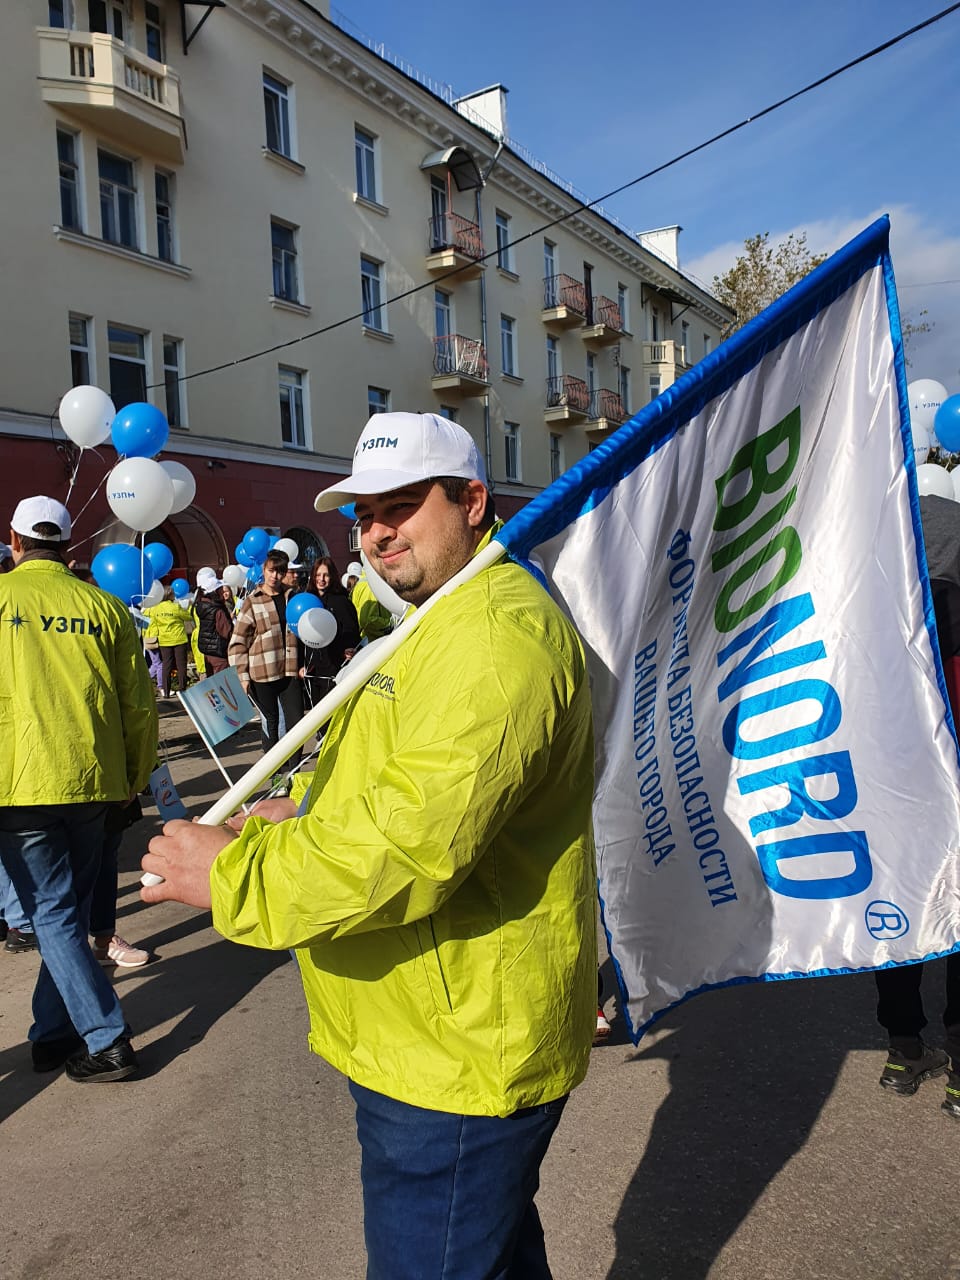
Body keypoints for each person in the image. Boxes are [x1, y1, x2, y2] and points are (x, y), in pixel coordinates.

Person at [143, 411, 596, 1278]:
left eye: (402, 503)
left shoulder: (493, 642)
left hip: (456, 1053)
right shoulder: (443, 613)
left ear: (471, 500)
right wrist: (296, 811)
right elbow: (391, 782)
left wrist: (231, 873)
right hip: (420, 1030)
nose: (379, 530)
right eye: (364, 512)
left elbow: (406, 851)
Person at [0, 496, 157, 1081]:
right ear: (67, 547)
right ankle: (51, 1032)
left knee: (53, 915)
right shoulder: (106, 609)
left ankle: (107, 1037)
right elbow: (139, 707)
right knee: (60, 915)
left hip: (19, 784)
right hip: (93, 782)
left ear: (15, 541)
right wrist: (132, 779)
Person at [227, 548, 303, 761]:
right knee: (270, 722)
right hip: (262, 672)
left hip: (289, 670)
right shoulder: (254, 600)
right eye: (271, 571)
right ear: (264, 569)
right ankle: (275, 773)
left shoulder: (292, 596)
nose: (275, 576)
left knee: (296, 722)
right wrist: (242, 676)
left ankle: (294, 773)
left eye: (280, 572)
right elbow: (238, 642)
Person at [300, 555, 360, 703]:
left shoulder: (341, 601)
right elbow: (299, 634)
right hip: (312, 669)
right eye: (318, 575)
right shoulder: (307, 600)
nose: (321, 579)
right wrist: (301, 664)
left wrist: (349, 650)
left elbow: (351, 631)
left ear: (332, 577)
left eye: (326, 575)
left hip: (334, 668)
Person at [145, 586, 190, 699]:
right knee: (181, 665)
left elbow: (149, 618)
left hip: (164, 640)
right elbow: (188, 617)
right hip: (179, 639)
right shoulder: (175, 607)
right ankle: (182, 689)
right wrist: (188, 607)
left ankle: (165, 691)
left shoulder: (156, 608)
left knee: (166, 665)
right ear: (170, 595)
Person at [194, 582, 234, 677]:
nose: (222, 591)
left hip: (208, 649)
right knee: (223, 682)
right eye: (220, 589)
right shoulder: (217, 609)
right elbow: (226, 631)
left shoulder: (202, 604)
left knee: (212, 679)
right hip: (219, 650)